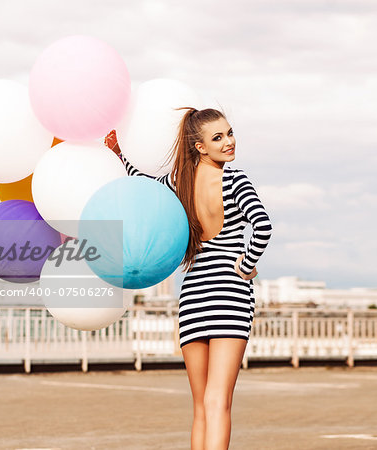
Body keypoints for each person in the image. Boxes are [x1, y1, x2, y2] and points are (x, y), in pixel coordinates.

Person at [104, 107, 273, 449]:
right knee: (219, 401)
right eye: (218, 138)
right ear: (199, 146)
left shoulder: (177, 185)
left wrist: (119, 154)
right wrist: (246, 264)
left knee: (200, 406)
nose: (229, 142)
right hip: (229, 296)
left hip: (193, 297)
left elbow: (144, 184)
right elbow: (263, 225)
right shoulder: (235, 180)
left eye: (229, 133)